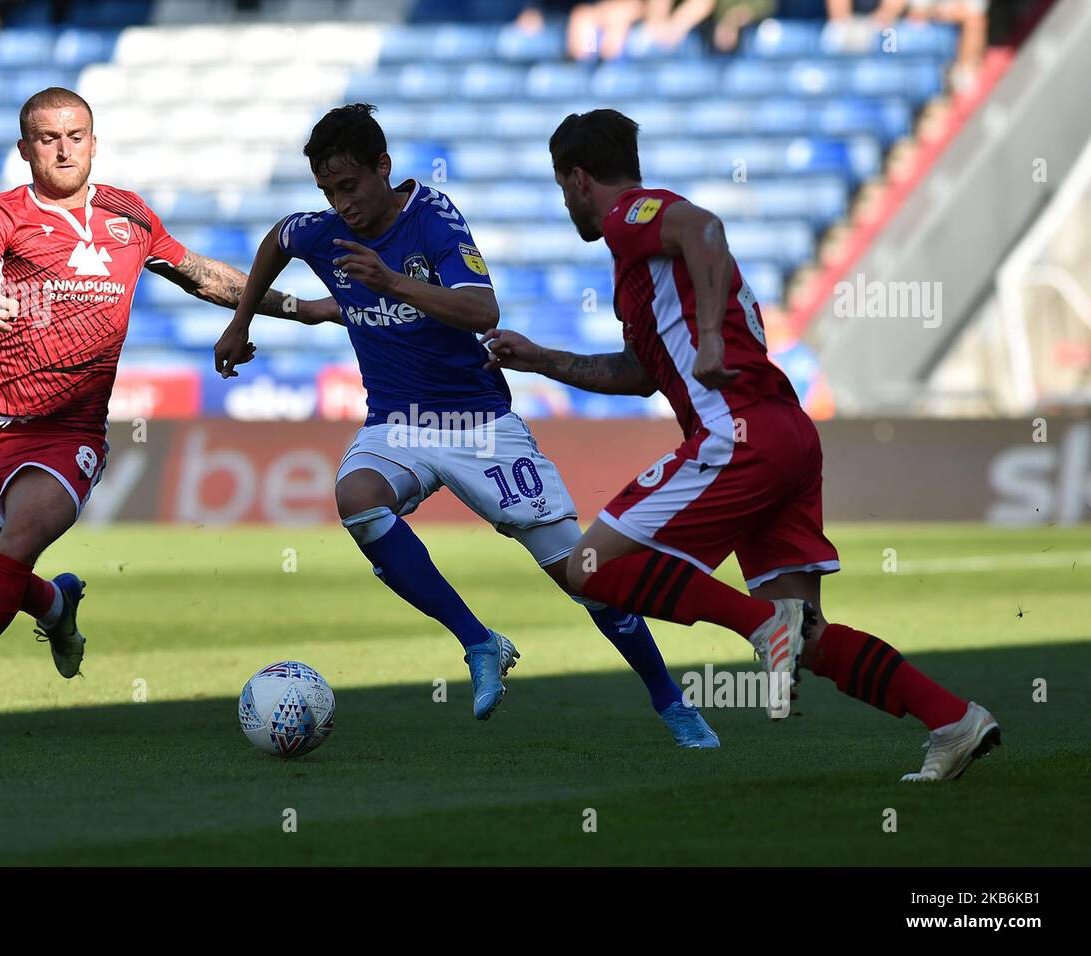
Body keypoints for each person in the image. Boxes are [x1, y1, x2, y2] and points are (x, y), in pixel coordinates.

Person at [483, 109, 1000, 781]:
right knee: (809, 637)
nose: (566, 205)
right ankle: (953, 720)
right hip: (786, 434)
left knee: (585, 567)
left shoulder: (629, 216)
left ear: (578, 178)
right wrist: (541, 359)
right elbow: (640, 375)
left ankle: (759, 625)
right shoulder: (641, 268)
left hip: (737, 434)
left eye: (561, 189)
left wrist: (709, 339)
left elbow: (706, 227)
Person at [214, 104, 719, 747]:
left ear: (383, 168)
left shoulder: (433, 218)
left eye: (350, 186)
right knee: (357, 499)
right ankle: (480, 641)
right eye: (328, 192)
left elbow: (483, 307)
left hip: (480, 425)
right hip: (398, 422)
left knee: (587, 576)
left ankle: (670, 701)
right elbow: (279, 239)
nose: (341, 204)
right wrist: (241, 322)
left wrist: (391, 282)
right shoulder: (324, 233)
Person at [0, 87, 336, 742]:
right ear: (25, 149)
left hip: (69, 434)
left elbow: (202, 275)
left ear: (94, 142)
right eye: (48, 138)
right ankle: (55, 602)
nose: (64, 149)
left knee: (13, 552)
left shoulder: (129, 214)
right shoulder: (1, 212)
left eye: (76, 135)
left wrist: (294, 308)